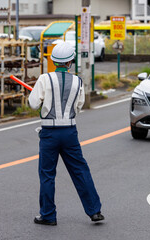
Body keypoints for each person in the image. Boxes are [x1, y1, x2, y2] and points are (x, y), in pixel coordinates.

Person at [28, 41, 104, 226]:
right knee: (80, 170)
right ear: (70, 62)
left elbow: (33, 104)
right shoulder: (77, 81)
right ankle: (94, 211)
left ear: (53, 61)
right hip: (70, 131)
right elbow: (78, 107)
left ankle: (48, 215)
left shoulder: (45, 79)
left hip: (49, 133)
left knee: (47, 174)